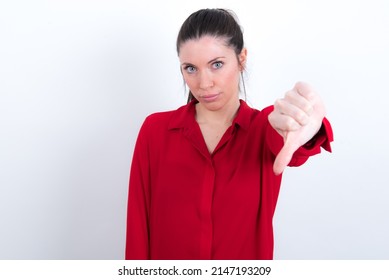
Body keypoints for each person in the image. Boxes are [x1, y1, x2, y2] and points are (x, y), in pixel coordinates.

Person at [125, 8, 333, 260]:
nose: (204, 83)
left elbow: (290, 143)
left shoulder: (264, 127)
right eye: (191, 68)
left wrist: (304, 123)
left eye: (217, 64)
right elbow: (137, 226)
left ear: (241, 58)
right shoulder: (155, 131)